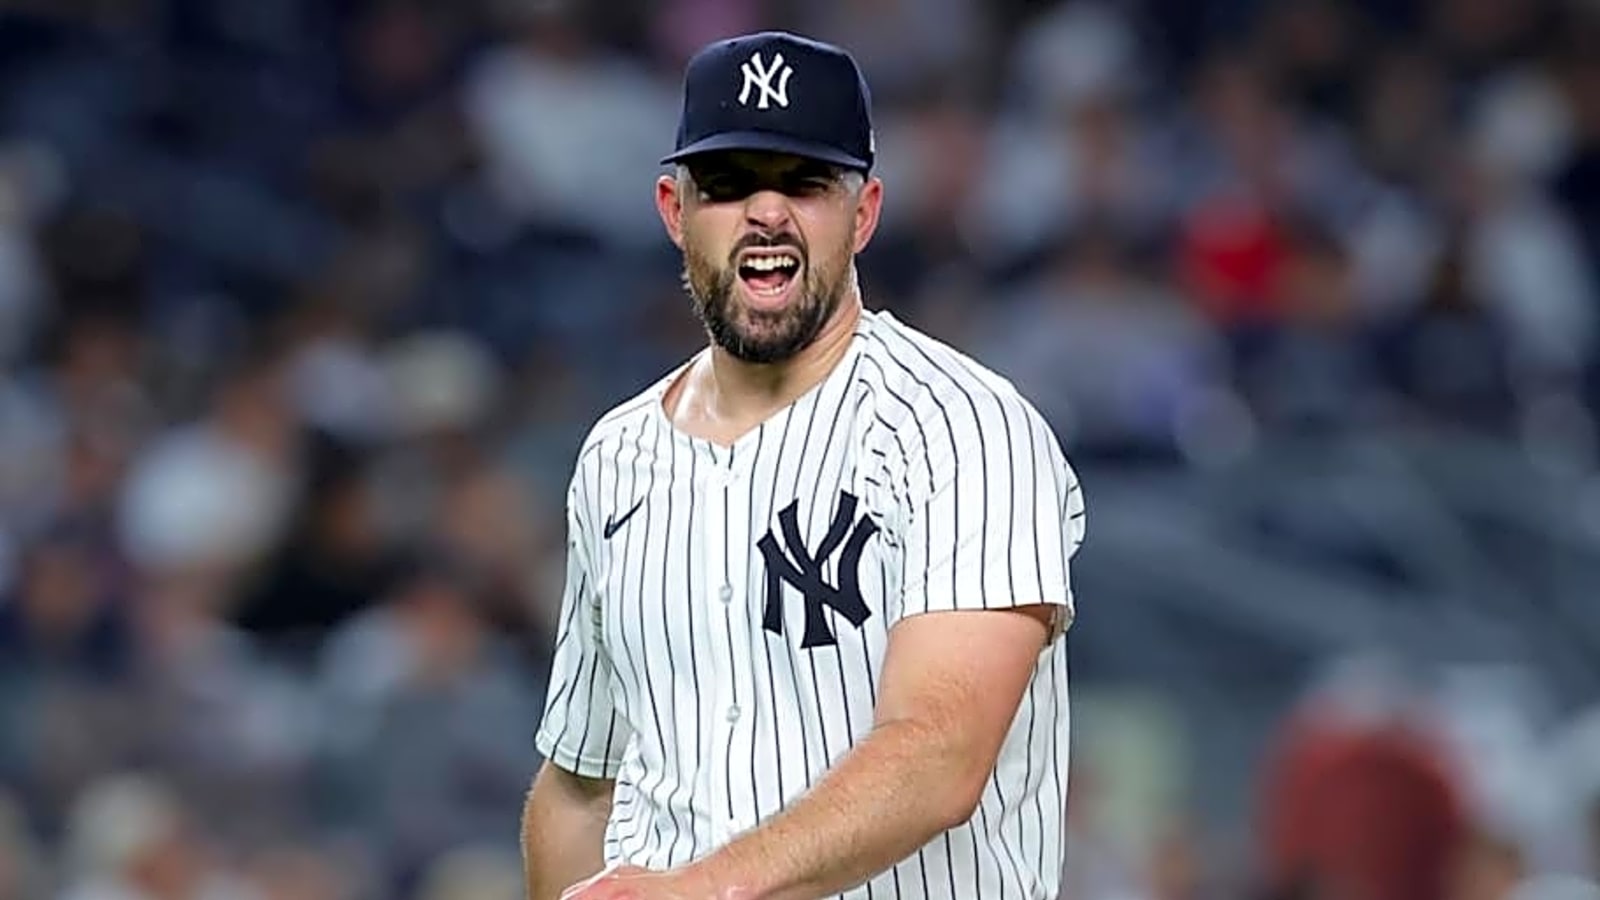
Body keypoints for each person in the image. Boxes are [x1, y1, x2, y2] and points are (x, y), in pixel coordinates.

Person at [523, 30, 1087, 900]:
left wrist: (702, 891)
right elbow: (580, 781)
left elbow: (940, 753)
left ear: (862, 215)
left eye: (804, 182)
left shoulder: (964, 428)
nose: (767, 212)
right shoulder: (617, 456)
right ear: (675, 209)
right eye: (732, 183)